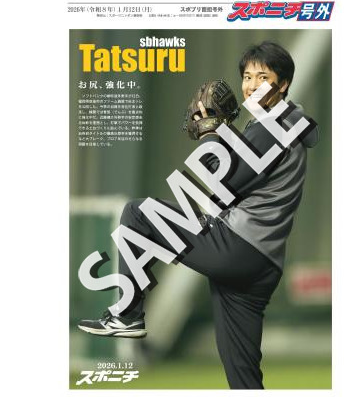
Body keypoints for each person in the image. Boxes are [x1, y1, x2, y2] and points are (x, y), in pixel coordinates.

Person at [78, 41, 319, 389]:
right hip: (263, 263)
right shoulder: (283, 122)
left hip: (239, 248)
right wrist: (222, 132)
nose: (252, 85)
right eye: (247, 76)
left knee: (138, 213)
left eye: (263, 77)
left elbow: (224, 180)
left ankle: (128, 316)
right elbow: (241, 180)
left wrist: (210, 130)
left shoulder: (275, 125)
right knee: (243, 377)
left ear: (283, 85)